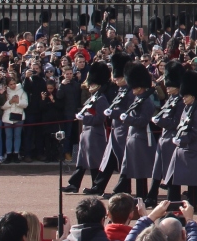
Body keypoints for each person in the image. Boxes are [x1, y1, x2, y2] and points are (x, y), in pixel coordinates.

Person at [64, 61, 112, 194]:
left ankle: (96, 186)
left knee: (94, 161)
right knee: (82, 160)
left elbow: (100, 118)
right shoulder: (93, 97)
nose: (90, 86)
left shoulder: (101, 99)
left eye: (93, 84)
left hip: (95, 134)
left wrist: (84, 118)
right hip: (86, 133)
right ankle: (74, 184)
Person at [113, 63, 157, 198]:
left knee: (140, 172)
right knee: (130, 169)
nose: (132, 89)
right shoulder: (138, 99)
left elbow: (143, 121)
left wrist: (127, 119)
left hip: (141, 139)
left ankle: (142, 198)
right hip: (132, 138)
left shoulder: (147, 102)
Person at [95, 53, 134, 196]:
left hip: (124, 130)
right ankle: (99, 185)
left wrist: (114, 113)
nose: (116, 79)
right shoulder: (121, 89)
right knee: (110, 159)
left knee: (125, 161)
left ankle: (122, 189)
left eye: (119, 77)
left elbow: (129, 111)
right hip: (116, 130)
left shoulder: (130, 91)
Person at [167, 69, 197, 206]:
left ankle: (193, 204)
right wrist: (177, 137)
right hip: (180, 149)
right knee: (173, 179)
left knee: (193, 181)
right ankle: (173, 203)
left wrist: (182, 140)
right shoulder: (186, 109)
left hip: (191, 149)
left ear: (193, 96)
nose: (183, 97)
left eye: (186, 95)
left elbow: (196, 132)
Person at [149, 62, 186, 207]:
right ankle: (152, 196)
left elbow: (177, 121)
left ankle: (173, 198)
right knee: (157, 170)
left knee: (171, 171)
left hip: (173, 138)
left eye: (170, 86)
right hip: (164, 138)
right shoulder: (171, 99)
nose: (168, 87)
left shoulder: (181, 102)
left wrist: (161, 122)